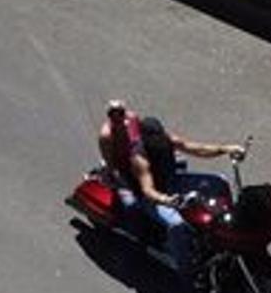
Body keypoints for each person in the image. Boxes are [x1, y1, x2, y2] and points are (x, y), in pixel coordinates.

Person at [98, 100, 245, 274]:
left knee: (220, 181)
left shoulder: (166, 139)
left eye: (160, 135)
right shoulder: (139, 158)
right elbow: (148, 190)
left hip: (172, 180)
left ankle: (229, 226)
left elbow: (198, 149)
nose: (159, 140)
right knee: (177, 225)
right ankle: (185, 268)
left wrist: (226, 149)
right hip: (155, 196)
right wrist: (166, 200)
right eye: (154, 138)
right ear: (144, 139)